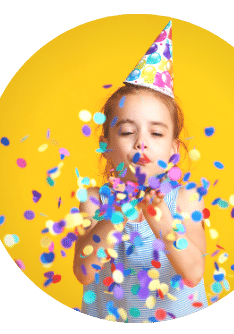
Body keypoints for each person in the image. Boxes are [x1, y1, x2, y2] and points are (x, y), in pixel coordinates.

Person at [73, 21, 208, 323]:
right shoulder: (94, 201)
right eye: (127, 131)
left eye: (156, 133)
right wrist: (119, 213)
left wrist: (160, 218)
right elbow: (83, 272)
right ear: (105, 145)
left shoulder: (186, 199)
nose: (141, 143)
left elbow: (193, 272)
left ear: (174, 149)